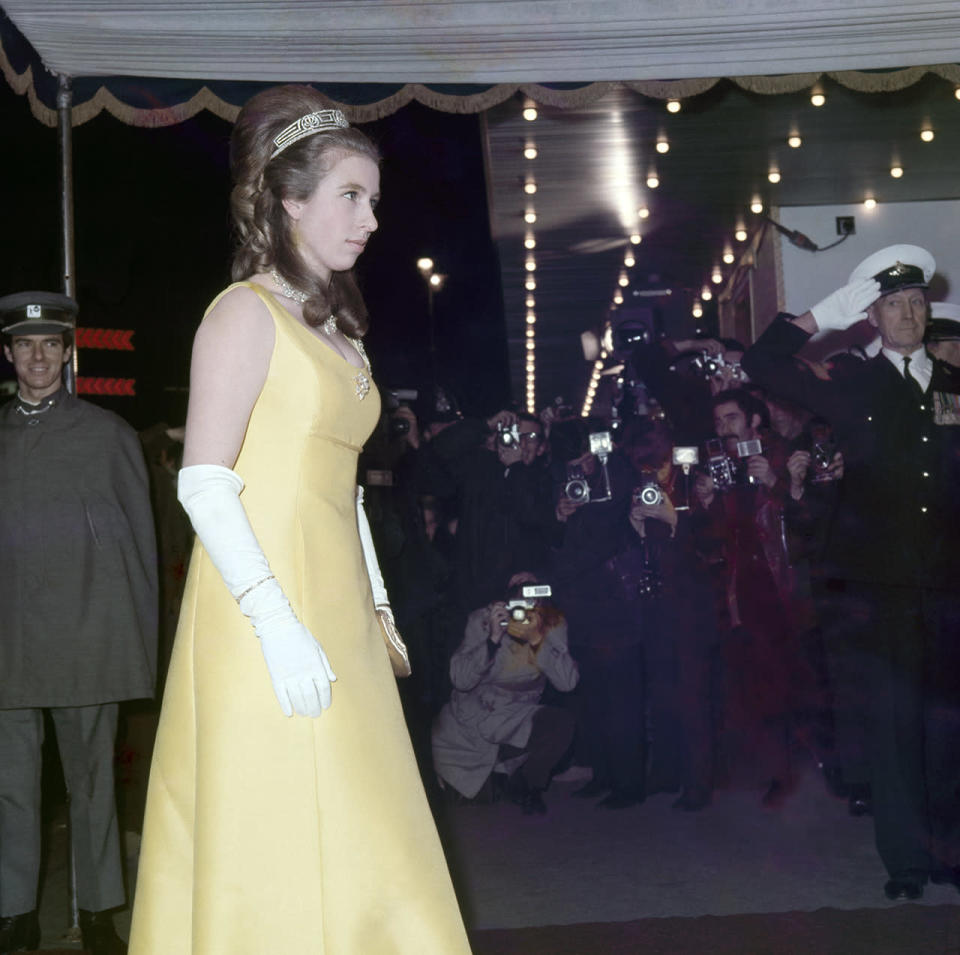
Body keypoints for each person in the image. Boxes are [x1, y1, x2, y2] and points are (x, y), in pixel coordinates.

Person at [129, 86, 469, 954]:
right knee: (278, 837)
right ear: (288, 202)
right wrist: (275, 622)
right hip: (262, 607)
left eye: (375, 200)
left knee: (367, 829)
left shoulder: (340, 330)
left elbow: (344, 486)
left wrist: (377, 606)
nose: (370, 220)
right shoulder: (243, 313)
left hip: (339, 609)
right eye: (351, 196)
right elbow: (203, 481)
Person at [741, 244, 960, 901]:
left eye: (918, 302)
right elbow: (762, 363)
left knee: (947, 725)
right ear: (870, 314)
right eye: (893, 303)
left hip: (949, 583)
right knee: (893, 725)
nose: (909, 314)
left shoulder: (954, 386)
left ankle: (950, 849)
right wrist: (819, 316)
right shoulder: (852, 384)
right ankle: (907, 860)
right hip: (882, 585)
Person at [0, 292, 157, 955]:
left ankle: (98, 908)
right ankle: (15, 912)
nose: (38, 356)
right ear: (8, 353)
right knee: (10, 788)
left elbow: (141, 547)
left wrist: (136, 644)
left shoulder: (106, 434)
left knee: (94, 783)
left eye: (50, 345)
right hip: (10, 639)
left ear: (67, 354)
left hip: (86, 634)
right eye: (25, 345)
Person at [432, 577, 579, 815]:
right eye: (519, 593)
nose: (526, 602)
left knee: (559, 725)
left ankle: (526, 783)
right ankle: (500, 773)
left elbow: (567, 683)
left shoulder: (551, 621)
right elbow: (460, 680)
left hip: (517, 713)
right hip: (472, 717)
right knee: (475, 797)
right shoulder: (484, 619)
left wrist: (537, 640)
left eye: (533, 591)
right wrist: (492, 640)